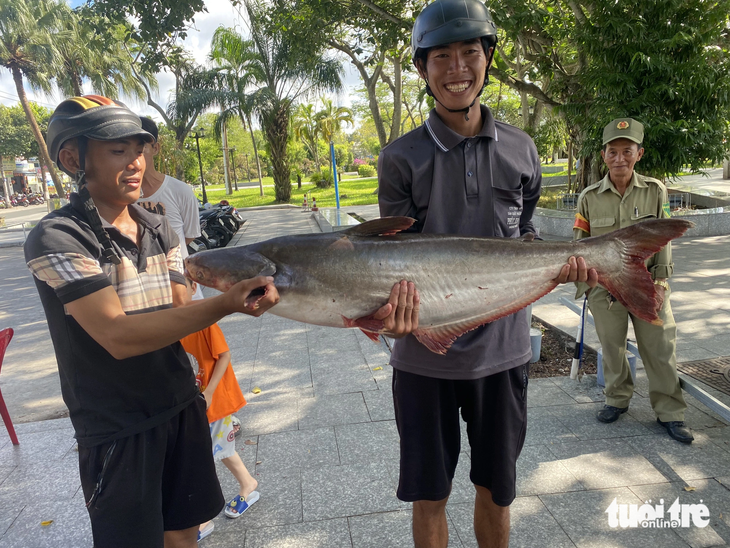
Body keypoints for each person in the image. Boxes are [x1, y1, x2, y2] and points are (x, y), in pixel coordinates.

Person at [377, 1, 596, 547]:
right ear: (423, 69)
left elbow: (521, 236)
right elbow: (389, 259)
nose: (457, 68)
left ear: (488, 57)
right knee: (430, 495)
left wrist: (557, 265)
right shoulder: (400, 157)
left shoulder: (522, 148)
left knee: (497, 489)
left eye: (469, 52)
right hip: (422, 358)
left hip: (503, 351)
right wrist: (387, 313)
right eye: (441, 56)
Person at [24, 94, 280, 548]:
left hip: (180, 402)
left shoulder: (159, 223)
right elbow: (117, 335)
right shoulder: (57, 236)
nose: (136, 162)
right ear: (72, 158)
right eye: (118, 151)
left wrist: (237, 282)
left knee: (185, 532)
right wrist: (225, 304)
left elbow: (182, 311)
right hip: (117, 424)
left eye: (139, 149)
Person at [573, 117, 692, 444]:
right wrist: (587, 287)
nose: (620, 158)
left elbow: (664, 240)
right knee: (612, 348)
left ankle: (670, 412)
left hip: (647, 285)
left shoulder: (655, 191)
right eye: (613, 151)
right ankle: (617, 399)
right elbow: (578, 243)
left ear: (639, 153)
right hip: (605, 290)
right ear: (604, 155)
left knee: (660, 348)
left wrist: (662, 283)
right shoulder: (589, 197)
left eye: (627, 151)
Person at [180, 278, 259, 542]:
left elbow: (224, 355)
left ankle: (202, 517)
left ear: (193, 287)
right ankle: (248, 484)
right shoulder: (170, 322)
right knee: (220, 449)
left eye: (177, 285)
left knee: (203, 455)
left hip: (214, 400)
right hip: (193, 401)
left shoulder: (203, 320)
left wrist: (211, 391)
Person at [136, 116, 204, 302]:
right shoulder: (118, 198)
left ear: (155, 148)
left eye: (140, 148)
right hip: (143, 298)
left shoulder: (180, 191)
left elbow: (188, 236)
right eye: (122, 149)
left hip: (183, 292)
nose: (134, 156)